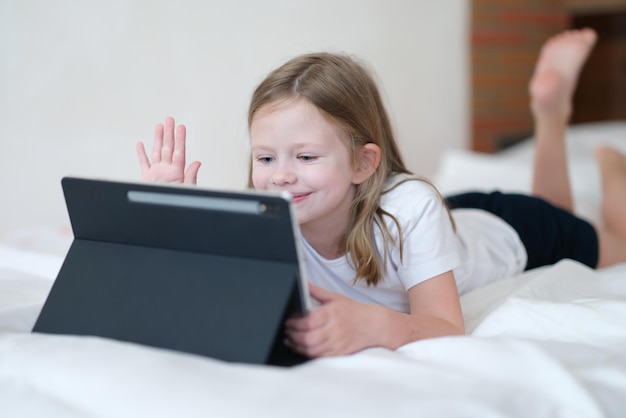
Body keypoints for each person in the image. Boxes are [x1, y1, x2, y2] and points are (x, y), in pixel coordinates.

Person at [136, 28, 626, 358]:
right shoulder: (268, 214)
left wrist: (375, 328)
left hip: (512, 229)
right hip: (433, 220)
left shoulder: (411, 207)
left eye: (305, 157)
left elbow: (446, 327)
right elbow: (208, 298)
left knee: (603, 236)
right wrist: (175, 221)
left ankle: (587, 146)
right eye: (265, 159)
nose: (281, 176)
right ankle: (554, 114)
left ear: (365, 162)